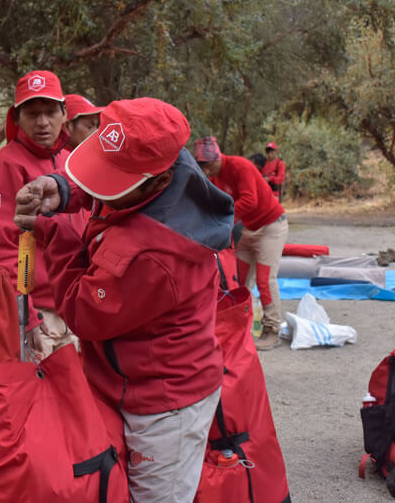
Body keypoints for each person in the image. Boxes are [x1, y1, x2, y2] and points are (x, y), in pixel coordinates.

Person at [13, 98, 234, 501]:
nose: (104, 191)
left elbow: (84, 313)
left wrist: (56, 235)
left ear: (156, 181)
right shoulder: (170, 163)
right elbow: (111, 182)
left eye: (115, 184)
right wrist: (63, 189)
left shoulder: (153, 254)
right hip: (131, 381)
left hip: (164, 405)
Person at [0, 70, 87, 359]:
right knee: (36, 403)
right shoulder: (2, 167)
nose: (43, 122)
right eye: (32, 113)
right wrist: (26, 315)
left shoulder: (72, 163)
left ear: (64, 115)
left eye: (50, 112)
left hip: (77, 313)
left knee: (76, 404)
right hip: (36, 318)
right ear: (16, 118)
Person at [195, 136, 289, 350]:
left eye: (209, 167)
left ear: (217, 158)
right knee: (237, 279)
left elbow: (249, 201)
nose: (207, 173)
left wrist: (221, 220)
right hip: (249, 229)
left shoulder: (240, 166)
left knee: (265, 281)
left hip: (271, 227)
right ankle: (239, 327)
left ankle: (272, 330)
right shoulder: (214, 178)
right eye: (203, 169)